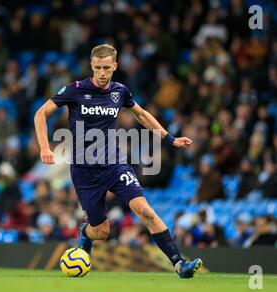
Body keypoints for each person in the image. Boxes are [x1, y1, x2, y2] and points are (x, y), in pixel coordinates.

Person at [34, 44, 203, 278]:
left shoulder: (120, 92)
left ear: (115, 66)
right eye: (97, 68)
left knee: (145, 211)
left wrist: (170, 139)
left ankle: (179, 265)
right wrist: (45, 147)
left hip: (115, 164)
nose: (102, 73)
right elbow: (40, 113)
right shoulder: (75, 90)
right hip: (85, 172)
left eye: (106, 67)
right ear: (91, 66)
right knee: (102, 232)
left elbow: (142, 115)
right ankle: (86, 233)